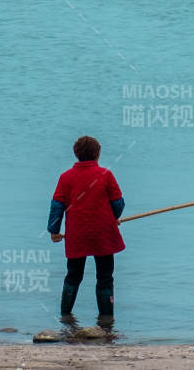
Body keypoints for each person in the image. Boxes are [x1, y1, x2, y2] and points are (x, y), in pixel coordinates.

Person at [47, 135, 125, 327]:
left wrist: (54, 229)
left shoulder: (66, 177)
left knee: (73, 275)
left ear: (76, 154)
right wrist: (114, 218)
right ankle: (106, 321)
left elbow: (57, 206)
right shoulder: (106, 175)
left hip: (77, 236)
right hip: (104, 234)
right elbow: (118, 203)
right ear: (98, 154)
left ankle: (65, 317)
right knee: (105, 277)